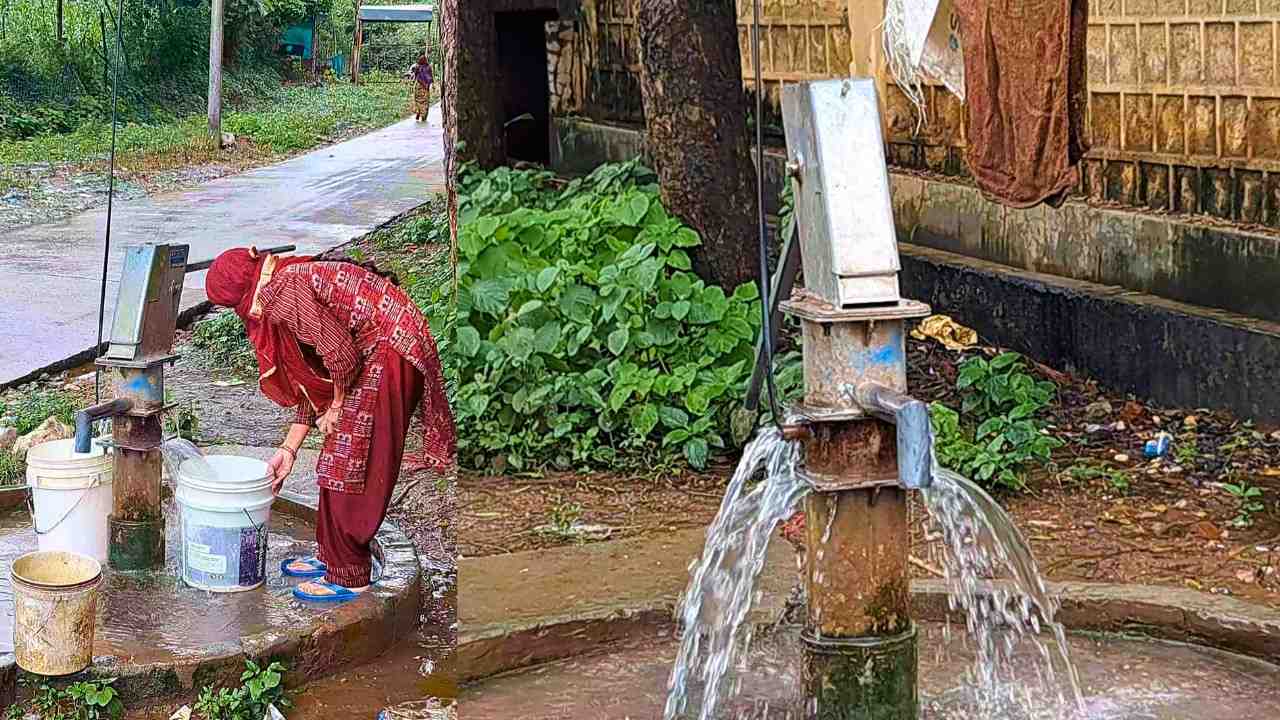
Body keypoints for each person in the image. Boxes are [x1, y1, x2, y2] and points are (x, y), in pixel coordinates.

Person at [204, 247, 455, 602]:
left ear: (240, 295)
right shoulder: (283, 280)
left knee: (350, 462)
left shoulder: (283, 292)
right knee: (336, 454)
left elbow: (340, 355)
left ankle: (350, 575)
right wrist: (288, 450)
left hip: (389, 351)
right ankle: (331, 556)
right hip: (380, 348)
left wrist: (337, 406)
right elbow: (314, 373)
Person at [409, 54, 433, 122]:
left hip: (420, 86)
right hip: (423, 86)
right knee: (423, 102)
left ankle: (419, 113)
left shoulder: (421, 67)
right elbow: (430, 77)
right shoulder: (425, 67)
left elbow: (416, 76)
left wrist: (427, 85)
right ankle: (422, 115)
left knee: (420, 101)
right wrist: (427, 85)